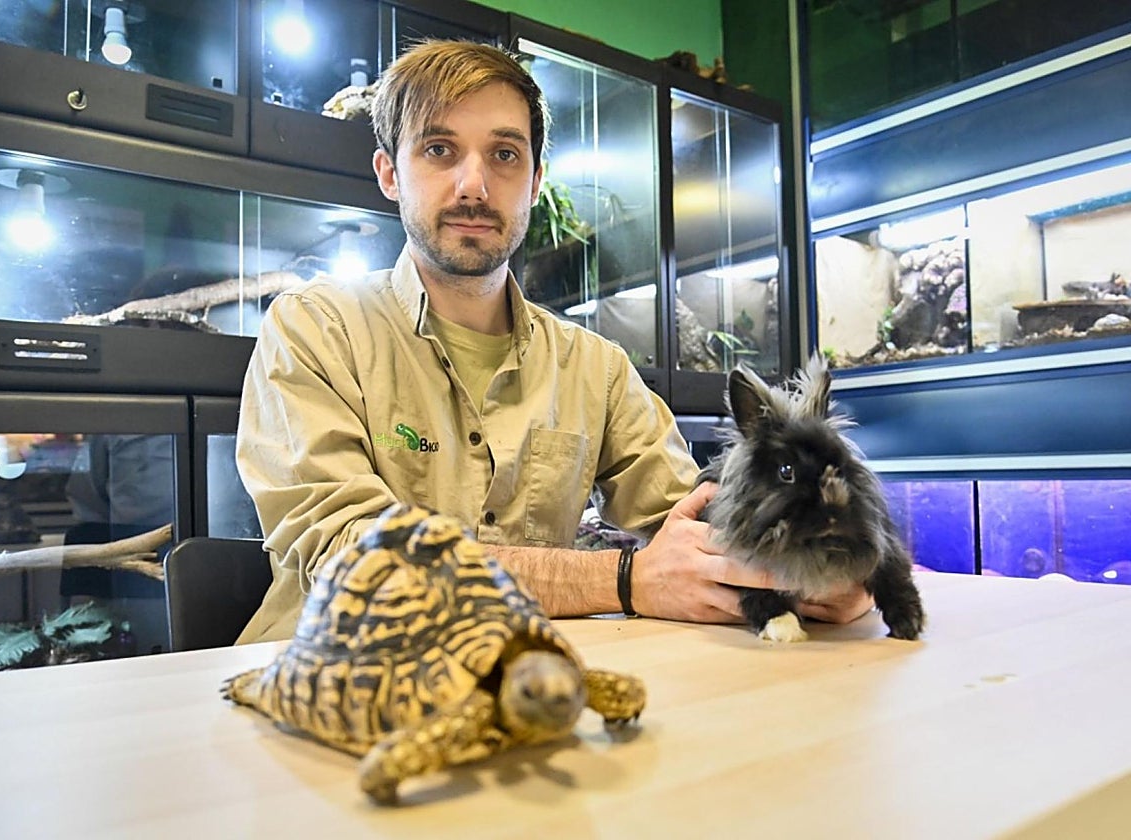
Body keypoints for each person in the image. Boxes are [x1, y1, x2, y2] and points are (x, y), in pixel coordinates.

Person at [234, 39, 871, 643]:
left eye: (505, 154)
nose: (474, 185)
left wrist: (818, 561)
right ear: (389, 174)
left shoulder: (596, 369)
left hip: (529, 692)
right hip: (318, 689)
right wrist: (623, 579)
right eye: (438, 150)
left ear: (535, 181)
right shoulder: (314, 330)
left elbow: (703, 515)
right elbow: (355, 558)